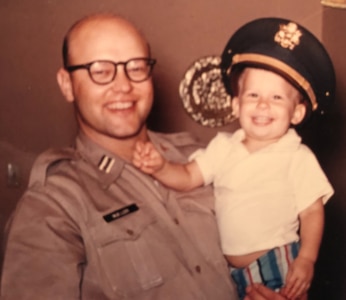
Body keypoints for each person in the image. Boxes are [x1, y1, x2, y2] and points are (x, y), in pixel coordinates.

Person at [0, 13, 240, 300]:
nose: (124, 85)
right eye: (100, 71)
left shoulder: (199, 157)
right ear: (67, 84)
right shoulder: (53, 206)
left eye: (136, 67)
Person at [132, 18, 336, 300]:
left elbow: (312, 211)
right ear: (236, 105)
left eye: (277, 97)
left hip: (277, 263)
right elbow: (189, 176)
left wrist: (307, 259)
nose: (263, 104)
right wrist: (161, 167)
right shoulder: (223, 148)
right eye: (253, 95)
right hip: (228, 273)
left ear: (297, 113)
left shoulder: (296, 156)